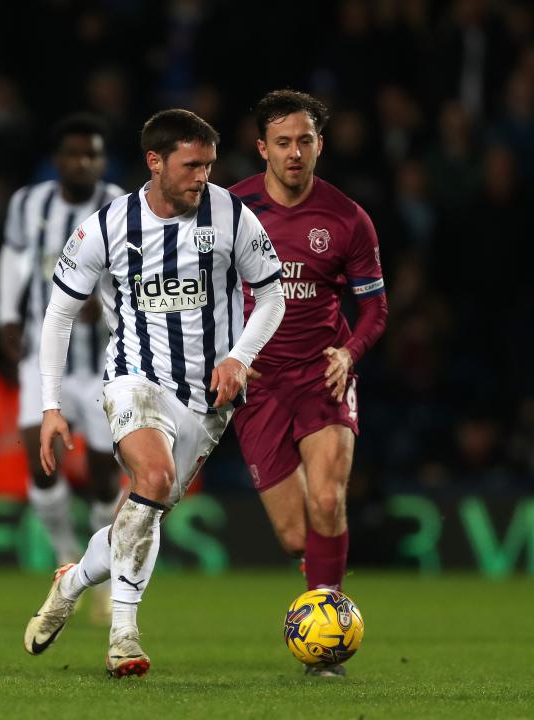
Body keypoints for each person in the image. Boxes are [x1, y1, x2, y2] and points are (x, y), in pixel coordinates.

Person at [23, 109, 285, 677]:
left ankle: (72, 580)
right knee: (154, 480)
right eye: (192, 166)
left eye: (209, 166)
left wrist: (240, 357)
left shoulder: (232, 216)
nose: (203, 178)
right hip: (133, 378)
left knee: (144, 512)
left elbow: (272, 297)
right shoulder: (107, 226)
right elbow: (59, 316)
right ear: (155, 162)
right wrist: (50, 406)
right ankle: (124, 635)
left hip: (207, 399)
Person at [230, 90, 388, 677]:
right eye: (282, 142)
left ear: (320, 145)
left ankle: (326, 650)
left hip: (322, 372)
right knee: (298, 537)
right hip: (259, 385)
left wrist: (350, 351)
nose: (294, 153)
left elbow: (375, 310)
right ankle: (320, 583)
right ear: (262, 149)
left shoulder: (347, 218)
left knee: (328, 500)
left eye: (304, 141)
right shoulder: (231, 210)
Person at [0, 114, 124, 619]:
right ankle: (66, 555)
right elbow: (13, 257)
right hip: (44, 357)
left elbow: (136, 270)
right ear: (58, 160)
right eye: (74, 154)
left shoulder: (119, 206)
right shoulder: (29, 204)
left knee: (101, 476)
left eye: (92, 154)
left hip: (102, 362)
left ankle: (99, 572)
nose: (83, 163)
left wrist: (106, 303)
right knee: (37, 453)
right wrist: (7, 316)